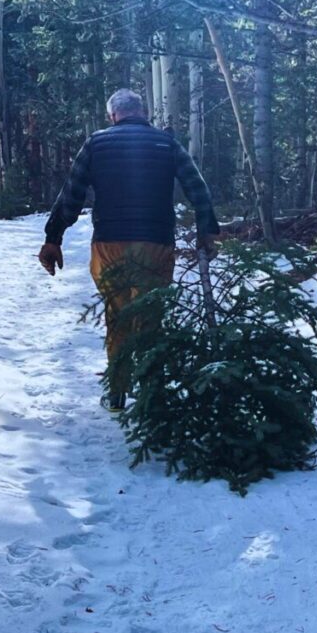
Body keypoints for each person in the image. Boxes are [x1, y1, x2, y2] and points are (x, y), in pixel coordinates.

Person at [39, 88, 220, 410]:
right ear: (143, 112)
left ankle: (118, 389)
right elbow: (198, 188)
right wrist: (207, 231)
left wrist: (53, 238)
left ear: (112, 115)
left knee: (118, 315)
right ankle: (150, 391)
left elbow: (72, 194)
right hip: (156, 242)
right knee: (151, 316)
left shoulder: (97, 143)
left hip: (110, 243)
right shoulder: (166, 143)